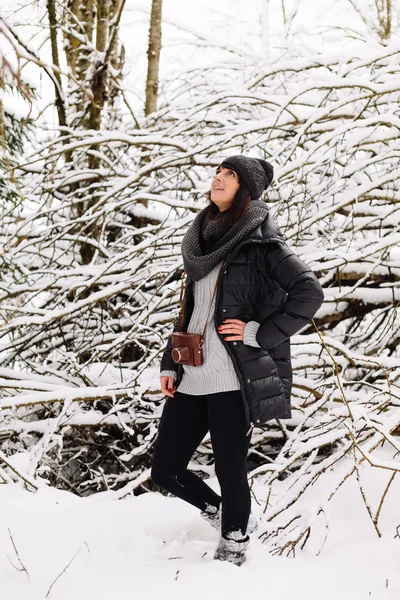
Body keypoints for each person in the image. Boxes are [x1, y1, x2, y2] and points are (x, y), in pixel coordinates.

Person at [151, 155, 324, 566]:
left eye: (230, 174)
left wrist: (257, 333)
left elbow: (309, 293)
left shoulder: (264, 244)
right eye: (218, 171)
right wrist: (170, 363)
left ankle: (234, 548)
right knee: (166, 470)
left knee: (231, 471)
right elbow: (189, 312)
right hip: (192, 374)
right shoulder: (202, 241)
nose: (219, 178)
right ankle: (224, 514)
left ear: (246, 190)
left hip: (233, 378)